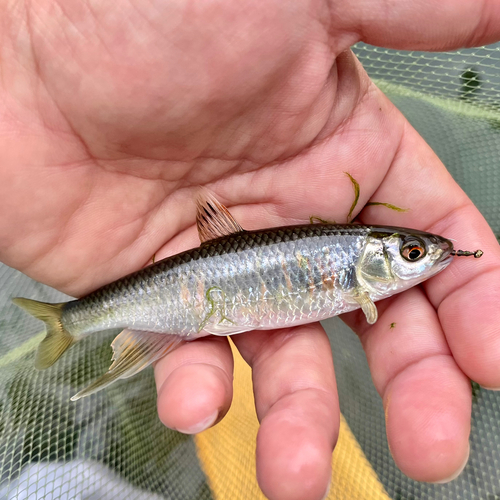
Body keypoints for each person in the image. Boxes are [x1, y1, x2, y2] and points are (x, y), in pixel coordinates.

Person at [1, 1, 499, 499]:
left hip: (189, 292)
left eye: (413, 254)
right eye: (412, 255)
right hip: (186, 293)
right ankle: (68, 321)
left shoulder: (355, 273)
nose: (423, 258)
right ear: (372, 261)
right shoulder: (354, 275)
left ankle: (69, 322)